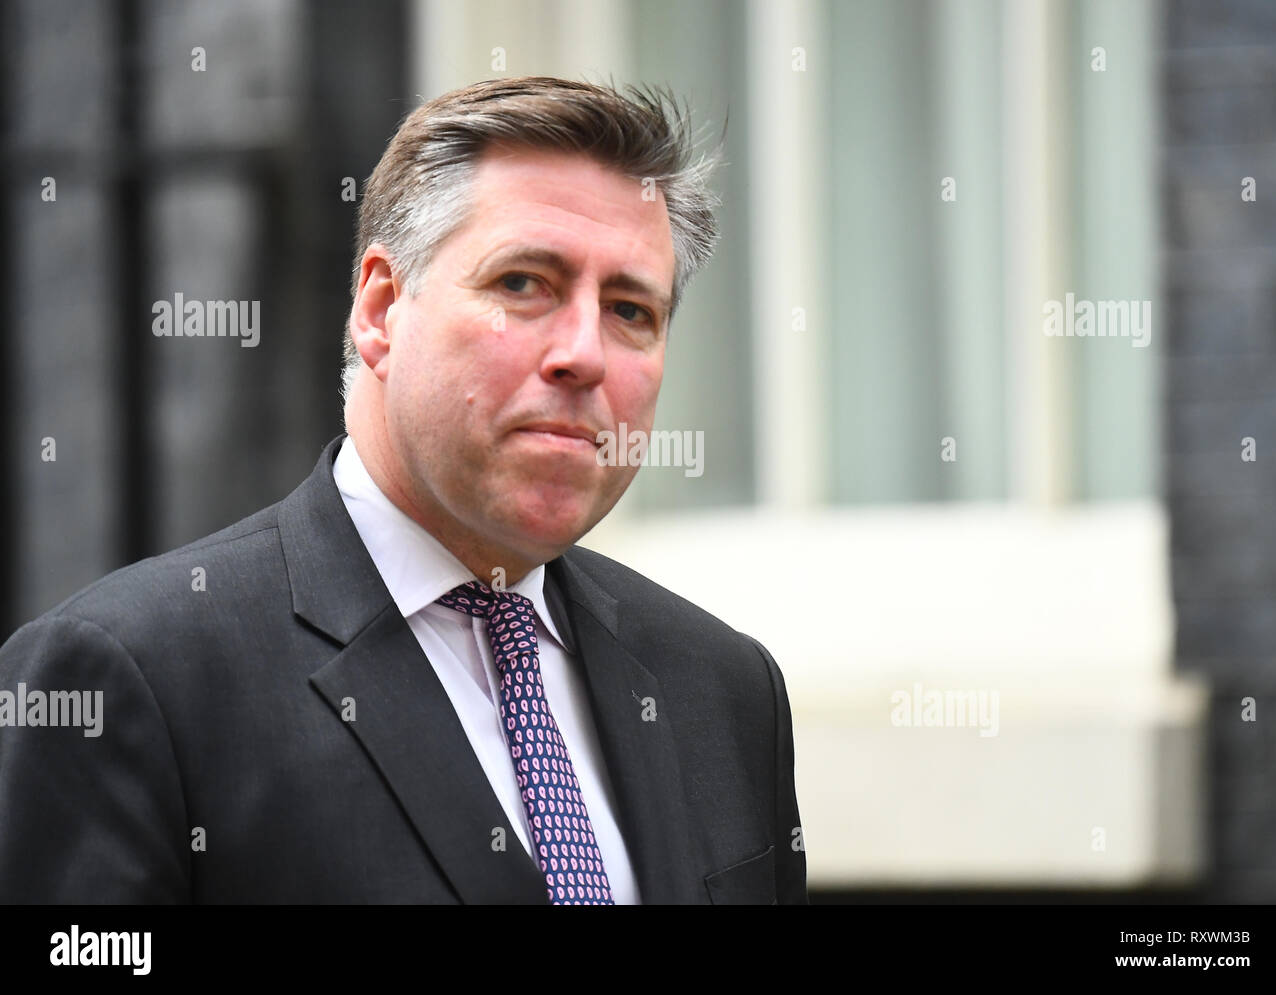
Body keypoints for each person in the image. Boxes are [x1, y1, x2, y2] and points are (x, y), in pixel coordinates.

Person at [0, 76, 807, 904]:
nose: (585, 354)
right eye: (524, 284)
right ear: (382, 309)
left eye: (631, 309)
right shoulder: (130, 678)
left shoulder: (725, 689)